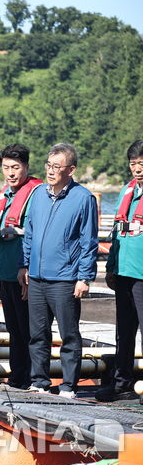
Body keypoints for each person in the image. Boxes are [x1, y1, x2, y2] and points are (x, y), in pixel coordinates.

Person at [19, 143, 98, 399]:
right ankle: (39, 381)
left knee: (69, 335)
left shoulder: (83, 198)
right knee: (37, 335)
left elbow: (89, 242)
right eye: (48, 165)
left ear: (71, 170)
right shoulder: (38, 194)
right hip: (38, 278)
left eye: (57, 167)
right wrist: (25, 264)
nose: (51, 171)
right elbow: (29, 232)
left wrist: (84, 277)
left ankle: (68, 385)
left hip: (65, 279)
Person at [0, 144, 42, 390]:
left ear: (26, 167)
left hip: (24, 274)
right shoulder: (6, 196)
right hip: (6, 274)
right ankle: (18, 377)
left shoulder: (36, 195)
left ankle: (31, 378)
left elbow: (36, 235)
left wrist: (26, 267)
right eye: (6, 167)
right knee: (14, 329)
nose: (10, 173)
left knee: (29, 330)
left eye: (16, 167)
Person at [95, 140, 143, 402]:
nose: (137, 169)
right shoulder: (128, 190)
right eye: (133, 164)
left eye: (141, 164)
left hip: (142, 275)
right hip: (124, 271)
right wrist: (111, 267)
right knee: (123, 331)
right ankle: (121, 382)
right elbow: (118, 233)